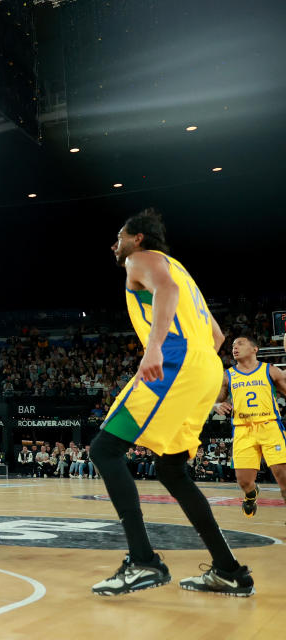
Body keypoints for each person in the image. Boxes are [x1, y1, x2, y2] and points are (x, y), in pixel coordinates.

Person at [90, 209, 253, 597]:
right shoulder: (179, 268)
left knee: (105, 449)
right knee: (172, 470)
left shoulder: (140, 261)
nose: (116, 245)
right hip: (206, 367)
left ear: (139, 239)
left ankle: (143, 560)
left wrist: (157, 349)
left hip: (177, 362)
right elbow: (215, 333)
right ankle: (229, 570)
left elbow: (166, 292)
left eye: (121, 236)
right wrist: (197, 369)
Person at [213, 335, 286, 517]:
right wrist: (216, 406)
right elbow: (213, 400)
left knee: (283, 477)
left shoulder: (271, 370)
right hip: (242, 430)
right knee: (244, 482)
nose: (234, 347)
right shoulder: (227, 375)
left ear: (255, 349)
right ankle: (251, 495)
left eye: (240, 343)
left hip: (270, 427)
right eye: (233, 345)